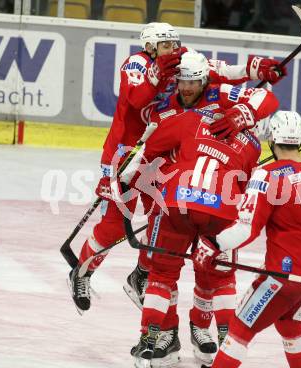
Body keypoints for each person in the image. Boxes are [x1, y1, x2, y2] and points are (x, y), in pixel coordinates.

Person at [67, 21, 286, 314]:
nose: (173, 48)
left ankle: (141, 275)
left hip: (166, 153)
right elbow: (136, 99)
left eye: (174, 42)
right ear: (149, 47)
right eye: (165, 44)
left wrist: (256, 69)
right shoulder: (136, 64)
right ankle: (82, 271)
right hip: (127, 154)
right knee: (115, 225)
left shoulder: (184, 61)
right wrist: (158, 73)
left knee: (163, 218)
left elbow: (221, 72)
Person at [126, 51, 279, 368]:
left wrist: (126, 178)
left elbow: (147, 153)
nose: (186, 87)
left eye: (194, 82)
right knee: (214, 275)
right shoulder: (248, 143)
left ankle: (184, 330)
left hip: (176, 199)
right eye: (183, 81)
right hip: (206, 205)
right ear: (177, 78)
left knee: (169, 273)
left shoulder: (210, 100)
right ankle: (170, 337)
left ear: (205, 80)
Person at [193, 110, 301, 368]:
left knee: (239, 328)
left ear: (271, 140)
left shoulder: (268, 175)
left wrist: (212, 243)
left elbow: (245, 231)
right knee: (291, 324)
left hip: (284, 279)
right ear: (300, 140)